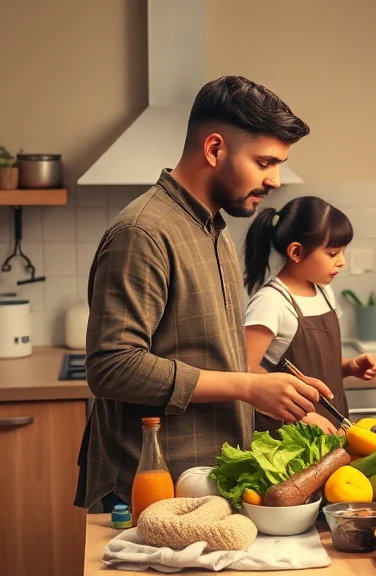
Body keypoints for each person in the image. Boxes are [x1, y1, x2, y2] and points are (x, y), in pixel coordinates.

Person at [75, 76, 333, 513]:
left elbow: (213, 355)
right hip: (152, 485)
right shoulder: (143, 232)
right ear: (215, 149)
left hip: (209, 480)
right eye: (265, 162)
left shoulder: (214, 228)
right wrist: (249, 387)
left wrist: (273, 390)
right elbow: (111, 367)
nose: (275, 179)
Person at [242, 197, 376, 436]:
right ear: (296, 252)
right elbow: (244, 372)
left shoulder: (324, 292)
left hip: (333, 428)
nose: (342, 261)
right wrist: (303, 415)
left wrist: (349, 366)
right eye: (333, 253)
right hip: (289, 437)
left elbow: (314, 365)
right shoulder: (271, 302)